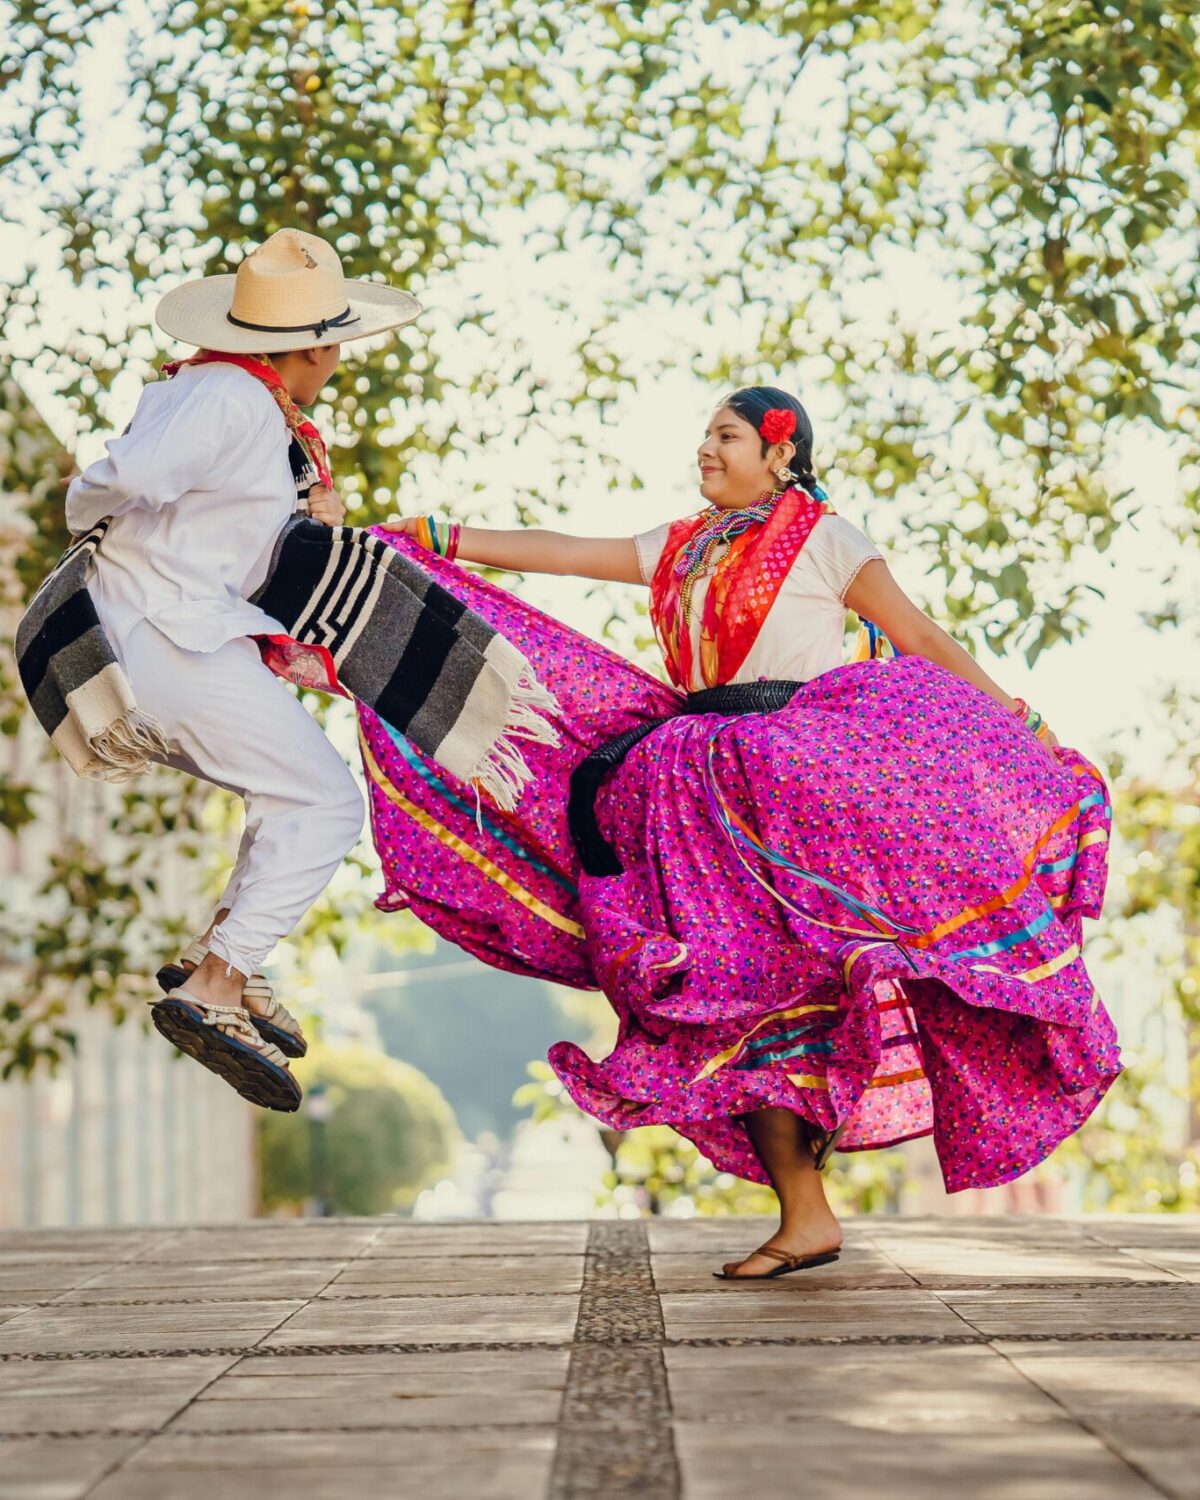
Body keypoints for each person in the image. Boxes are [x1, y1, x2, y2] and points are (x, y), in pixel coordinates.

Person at [365, 385, 1119, 1278]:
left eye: (726, 435)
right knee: (731, 996)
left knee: (817, 980)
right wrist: (440, 538)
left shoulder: (826, 539)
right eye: (705, 436)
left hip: (797, 783)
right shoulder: (682, 545)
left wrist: (1020, 722)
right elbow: (564, 551)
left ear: (780, 450)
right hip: (694, 798)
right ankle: (807, 1216)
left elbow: (919, 636)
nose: (706, 450)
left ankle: (893, 1109)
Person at [55, 228, 421, 1112]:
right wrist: (97, 516)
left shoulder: (234, 399)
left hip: (172, 634)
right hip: (170, 636)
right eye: (335, 345)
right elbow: (117, 481)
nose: (337, 360)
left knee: (286, 791)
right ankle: (217, 982)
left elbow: (219, 527)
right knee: (327, 803)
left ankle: (223, 950)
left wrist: (307, 518)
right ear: (313, 348)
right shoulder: (232, 397)